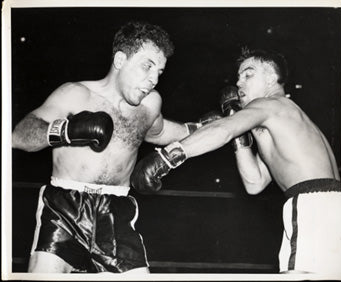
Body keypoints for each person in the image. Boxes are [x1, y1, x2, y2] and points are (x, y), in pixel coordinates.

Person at [12, 21, 221, 274]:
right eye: (147, 66)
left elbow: (161, 131)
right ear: (120, 60)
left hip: (116, 212)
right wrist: (67, 130)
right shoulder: (76, 94)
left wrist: (201, 128)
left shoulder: (150, 104)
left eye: (160, 72)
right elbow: (20, 135)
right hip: (64, 209)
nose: (154, 79)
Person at [131, 49, 341, 276]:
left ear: (271, 79)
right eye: (238, 76)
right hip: (330, 206)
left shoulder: (270, 104)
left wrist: (166, 158)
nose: (238, 82)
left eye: (248, 74)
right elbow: (255, 182)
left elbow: (223, 129)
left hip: (311, 206)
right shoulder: (284, 119)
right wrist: (239, 138)